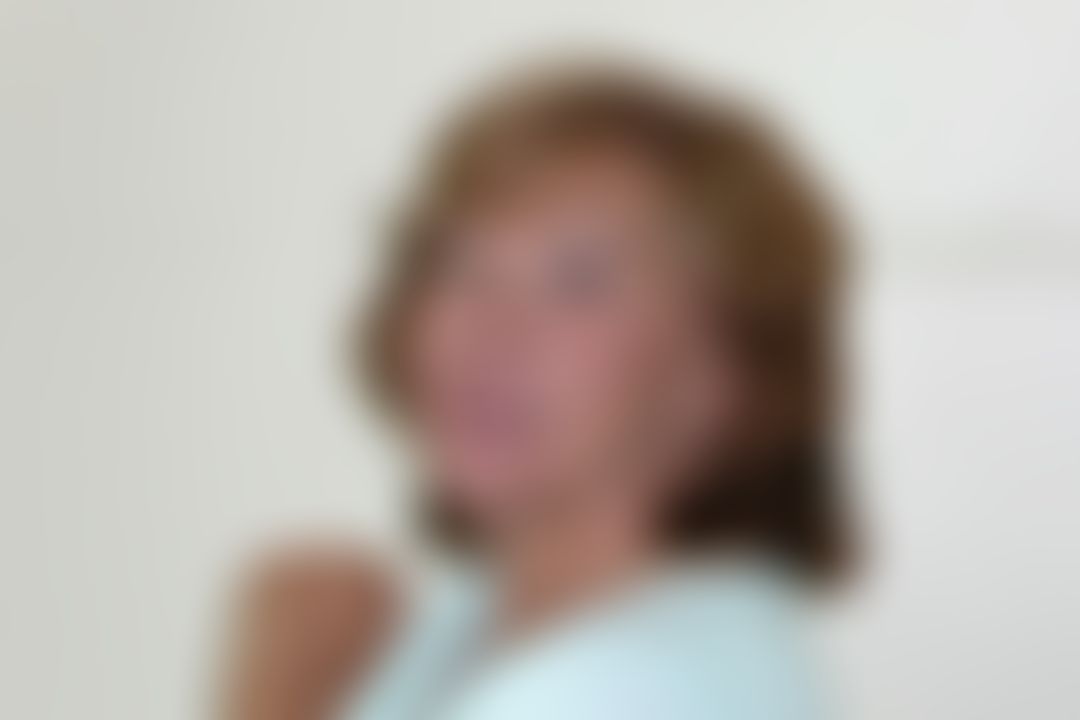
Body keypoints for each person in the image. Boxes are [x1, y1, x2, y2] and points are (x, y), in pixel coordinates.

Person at [222, 60, 850, 720]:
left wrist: (281, 690)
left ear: (729, 370)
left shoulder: (628, 685)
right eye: (457, 265)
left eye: (578, 280)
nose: (487, 329)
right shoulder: (479, 619)